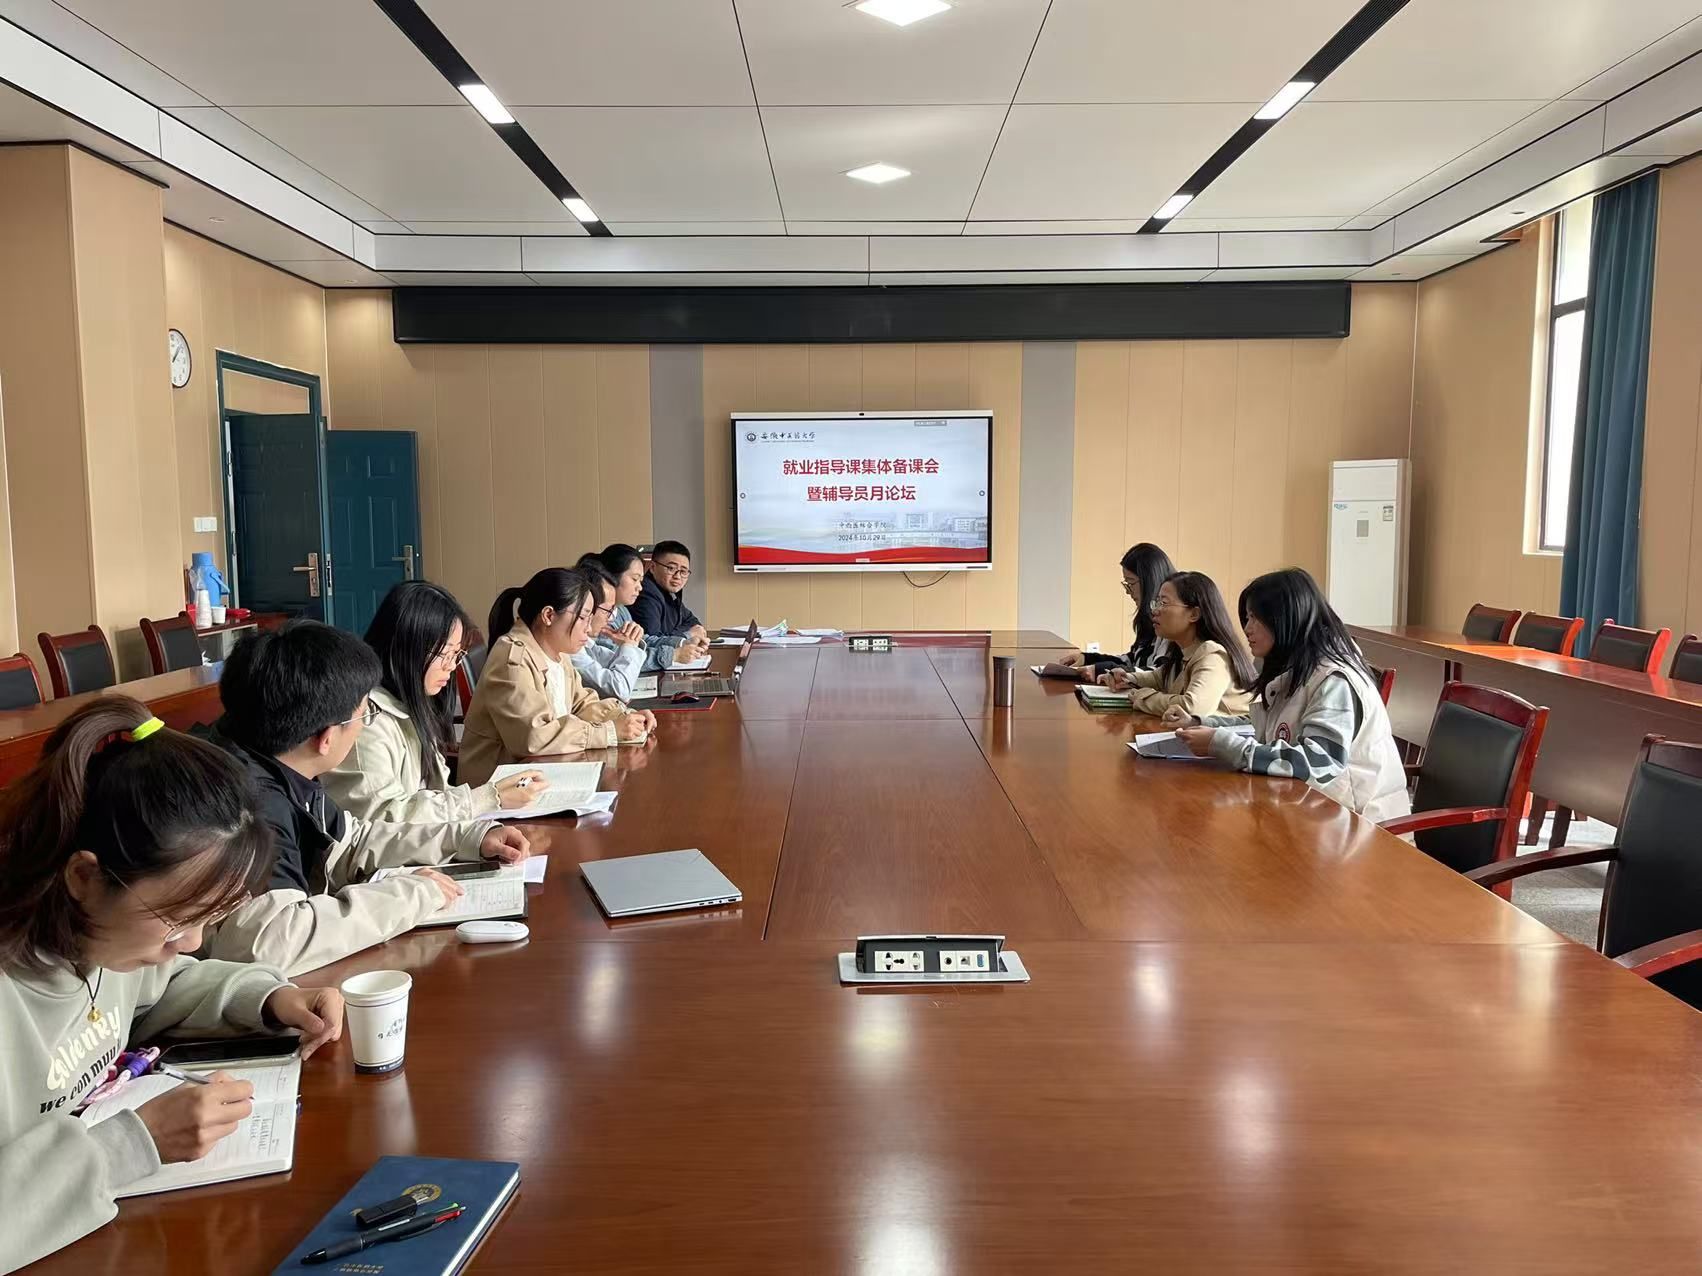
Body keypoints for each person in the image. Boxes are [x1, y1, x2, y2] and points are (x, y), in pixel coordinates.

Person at [0, 697, 344, 1272]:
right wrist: (130, 1144)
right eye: (176, 919)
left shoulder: (99, 941)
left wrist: (269, 998)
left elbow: (162, 984)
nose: (189, 943)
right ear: (84, 876)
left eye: (207, 919)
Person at [200, 621, 529, 977]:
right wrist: (412, 894)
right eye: (365, 714)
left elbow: (350, 841)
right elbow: (265, 942)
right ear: (326, 738)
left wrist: (466, 838)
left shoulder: (274, 762)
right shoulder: (247, 804)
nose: (364, 726)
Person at [1164, 568, 1411, 821]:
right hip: (1310, 811)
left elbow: (1319, 761)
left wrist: (1226, 746)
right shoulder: (1295, 669)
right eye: (1247, 618)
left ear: (1286, 619)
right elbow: (1262, 723)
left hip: (1360, 825)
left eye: (1255, 618)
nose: (1247, 628)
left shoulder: (1334, 680)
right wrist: (1200, 722)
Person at [326, 581, 545, 823]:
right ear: (407, 647)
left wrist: (483, 821)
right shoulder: (365, 721)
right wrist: (487, 798)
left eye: (456, 654)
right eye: (444, 653)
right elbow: (383, 819)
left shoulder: (414, 703)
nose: (451, 666)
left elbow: (437, 792)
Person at [461, 568, 655, 786]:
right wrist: (609, 731)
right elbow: (533, 737)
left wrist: (624, 717)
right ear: (548, 616)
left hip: (537, 775)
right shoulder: (513, 659)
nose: (589, 628)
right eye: (583, 618)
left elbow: (582, 704)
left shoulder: (557, 653)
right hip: (498, 788)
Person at [1107, 571, 1254, 718]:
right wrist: (1128, 678)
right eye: (1157, 602)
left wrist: (1143, 697)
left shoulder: (1212, 654)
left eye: (1163, 603)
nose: (1155, 611)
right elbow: (1158, 679)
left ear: (1194, 614)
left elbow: (1193, 707)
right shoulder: (1183, 650)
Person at [1053, 543, 1177, 680]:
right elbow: (1132, 660)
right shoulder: (1148, 618)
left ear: (1150, 581)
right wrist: (1087, 658)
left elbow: (1159, 675)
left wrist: (1101, 670)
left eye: (1131, 583)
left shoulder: (1171, 623)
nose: (1128, 592)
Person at [596, 543, 707, 670]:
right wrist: (674, 655)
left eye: (683, 571)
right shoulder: (601, 613)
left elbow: (644, 641)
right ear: (611, 577)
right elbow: (616, 659)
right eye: (635, 579)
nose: (640, 587)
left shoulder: (621, 609)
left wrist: (683, 642)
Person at [570, 558, 645, 701]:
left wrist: (629, 644)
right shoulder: (569, 649)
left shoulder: (585, 643)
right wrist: (629, 646)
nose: (611, 619)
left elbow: (613, 663)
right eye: (608, 611)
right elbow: (619, 690)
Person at [630, 540, 709, 646]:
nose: (677, 576)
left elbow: (693, 623)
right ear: (653, 567)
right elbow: (652, 641)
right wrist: (688, 634)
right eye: (671, 568)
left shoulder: (669, 592)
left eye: (683, 571)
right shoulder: (645, 593)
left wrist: (677, 633)